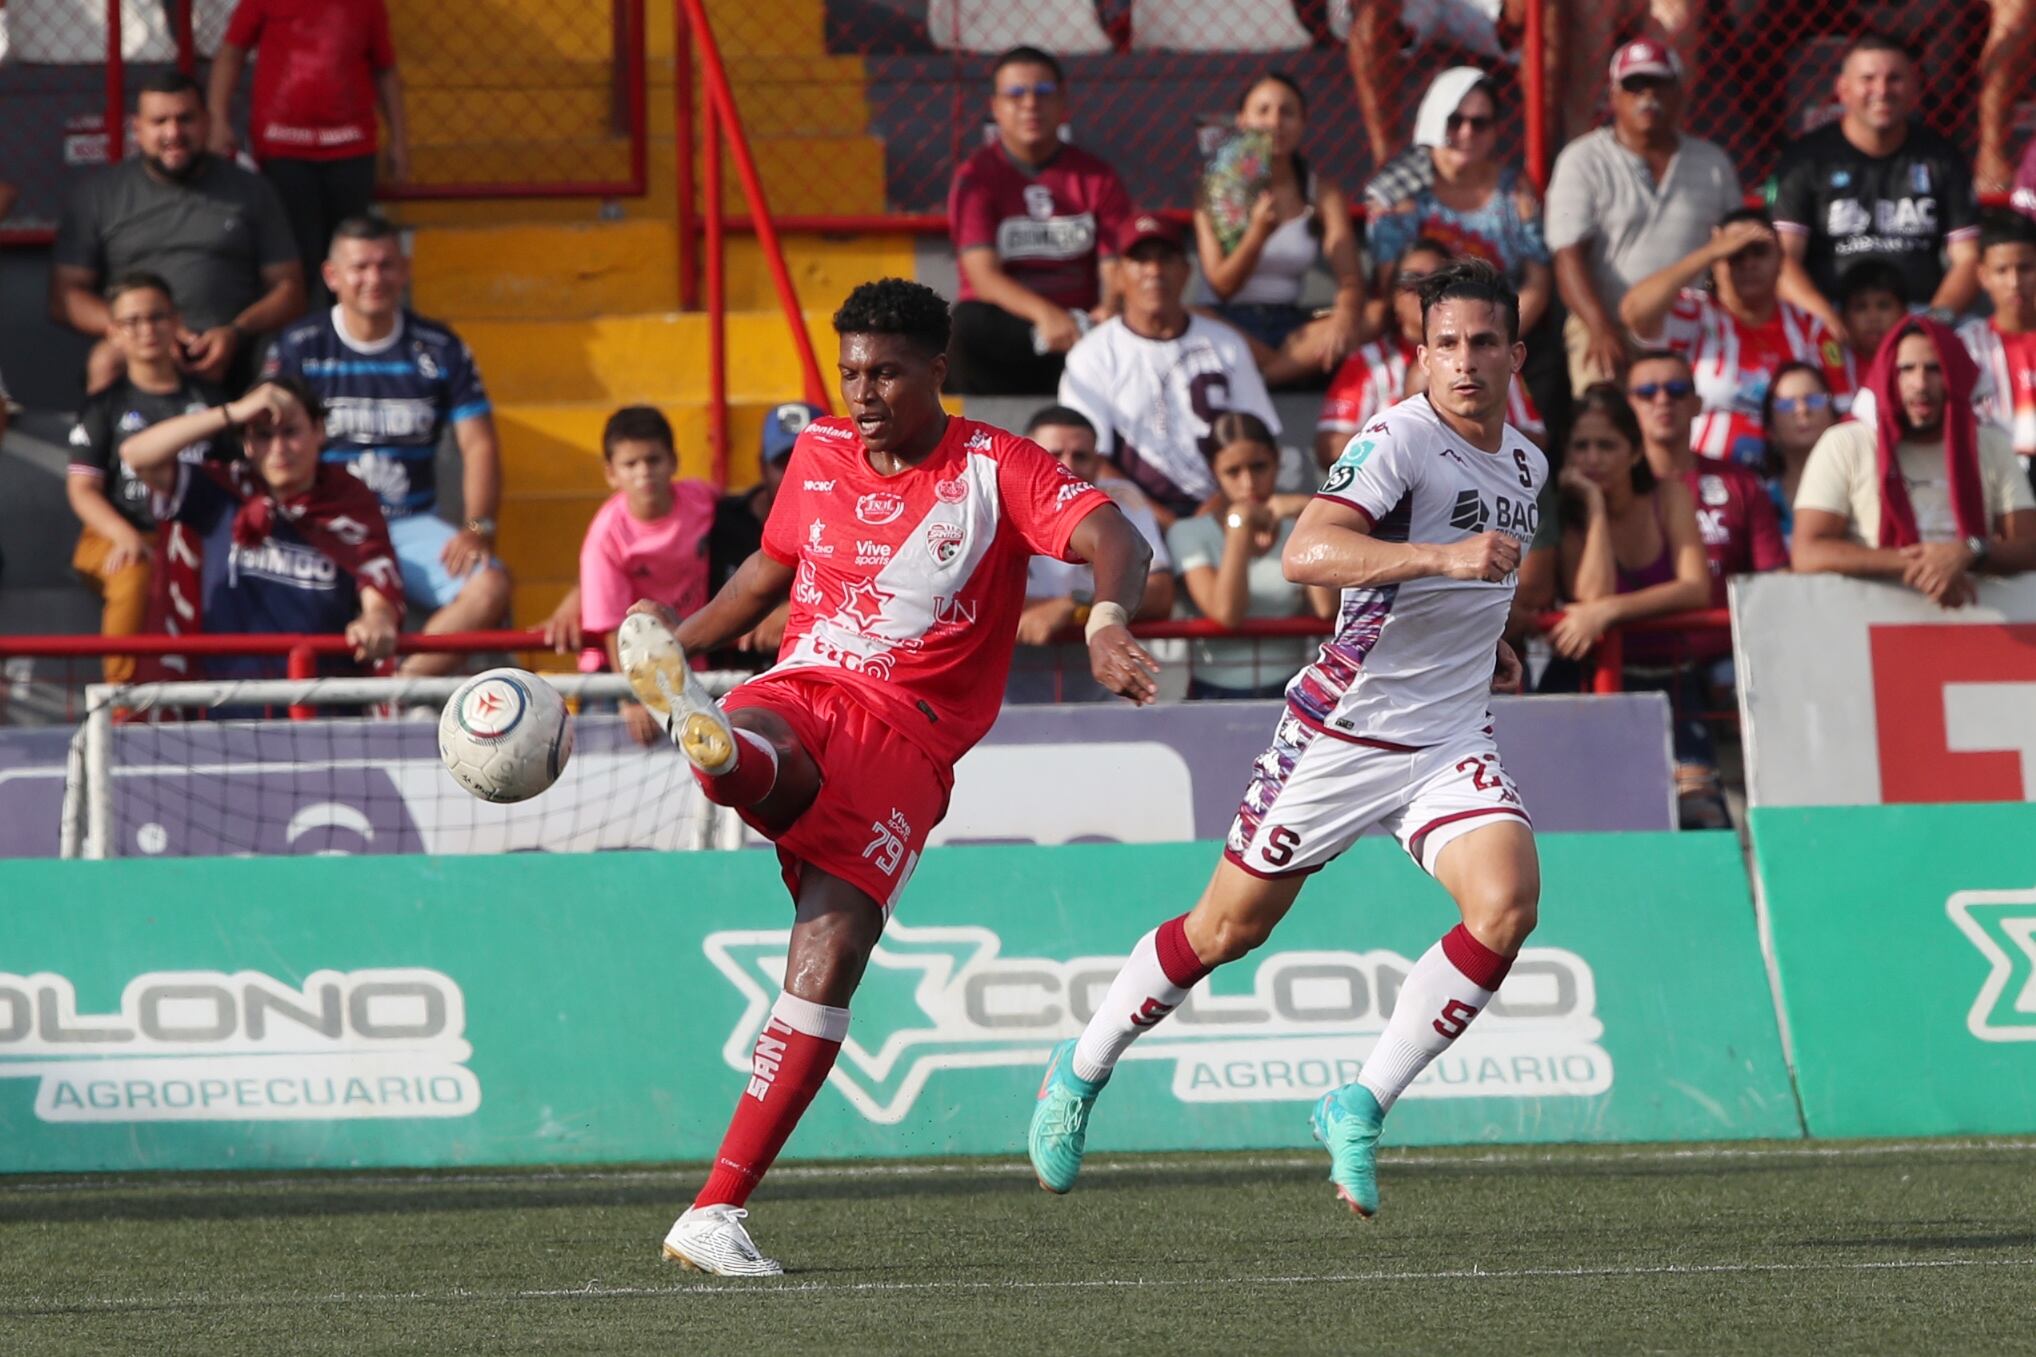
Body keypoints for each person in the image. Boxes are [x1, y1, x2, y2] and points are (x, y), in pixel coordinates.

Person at [615, 279, 1161, 1275]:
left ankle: (713, 1212)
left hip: (906, 734)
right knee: (763, 733)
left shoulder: (996, 467)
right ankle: (718, 740)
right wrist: (672, 648)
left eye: (886, 374)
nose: (863, 394)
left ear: (937, 370)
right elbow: (764, 575)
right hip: (802, 685)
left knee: (828, 958)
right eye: (851, 373)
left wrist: (1106, 618)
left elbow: (1115, 537)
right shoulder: (819, 451)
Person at [1027, 260, 1546, 1218]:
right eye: (1446, 344)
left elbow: (1471, 585)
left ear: (1515, 354)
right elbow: (1307, 550)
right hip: (1344, 731)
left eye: (1483, 343)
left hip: (1450, 734)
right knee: (1226, 930)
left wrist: (1492, 638)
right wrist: (1441, 557)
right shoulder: (1398, 438)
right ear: (1421, 355)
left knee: (1507, 904)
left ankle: (1360, 1103)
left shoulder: (1526, 463)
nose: (1464, 361)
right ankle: (1082, 1064)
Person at [263, 215, 509, 677]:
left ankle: (399, 690)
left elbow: (479, 445)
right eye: (360, 267)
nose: (374, 278)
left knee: (490, 585)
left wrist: (477, 527)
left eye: (386, 265)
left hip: (407, 523)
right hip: (322, 519)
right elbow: (265, 438)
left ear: (405, 270)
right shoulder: (300, 347)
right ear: (332, 276)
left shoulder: (439, 347)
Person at [117, 376, 402, 679]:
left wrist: (378, 618)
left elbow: (376, 581)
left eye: (290, 432)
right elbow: (137, 456)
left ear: (319, 430)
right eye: (263, 435)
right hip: (225, 698)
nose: (279, 448)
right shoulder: (219, 492)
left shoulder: (349, 501)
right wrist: (233, 412)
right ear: (247, 445)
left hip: (321, 698)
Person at [1527, 383, 1717, 823]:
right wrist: (1594, 508)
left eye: (1607, 445)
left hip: (1669, 676)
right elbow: (1591, 596)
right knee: (1578, 812)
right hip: (1584, 679)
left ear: (1634, 452)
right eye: (1581, 447)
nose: (1592, 458)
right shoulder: (1566, 512)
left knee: (1698, 810)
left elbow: (1695, 587)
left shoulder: (1669, 496)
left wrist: (1611, 612)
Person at [50, 72, 305, 395]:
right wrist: (141, 332)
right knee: (105, 360)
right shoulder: (99, 196)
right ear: (138, 129)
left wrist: (235, 333)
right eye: (160, 122)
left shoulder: (252, 191)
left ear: (207, 122)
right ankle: (100, 431)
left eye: (185, 119)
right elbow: (65, 297)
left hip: (234, 347)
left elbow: (290, 289)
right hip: (138, 347)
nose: (173, 133)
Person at [1545, 39, 1742, 395]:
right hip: (1603, 319)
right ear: (1613, 95)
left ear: (1679, 92)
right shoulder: (1582, 159)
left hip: (1693, 325)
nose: (1647, 96)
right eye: (1634, 86)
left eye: (1658, 84)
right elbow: (1567, 257)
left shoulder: (1713, 163)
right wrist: (1600, 327)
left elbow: (1734, 249)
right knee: (1600, 410)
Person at [1794, 319, 2036, 606]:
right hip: (1869, 619)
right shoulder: (1845, 444)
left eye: (1934, 369)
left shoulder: (1991, 445)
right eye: (1906, 369)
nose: (1920, 384)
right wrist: (1925, 564)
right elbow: (1808, 552)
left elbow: (2029, 546)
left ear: (1955, 376)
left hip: (1978, 620)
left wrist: (1970, 551)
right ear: (1886, 375)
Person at [65, 274, 232, 684]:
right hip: (119, 533)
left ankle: (220, 699)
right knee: (133, 571)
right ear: (113, 333)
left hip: (197, 536)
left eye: (157, 317)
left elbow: (232, 481)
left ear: (177, 321)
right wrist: (122, 534)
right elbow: (82, 489)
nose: (146, 330)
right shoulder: (103, 406)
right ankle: (120, 702)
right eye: (132, 321)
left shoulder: (211, 401)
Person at [1057, 215, 1282, 521]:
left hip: (1223, 511)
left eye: (1165, 258)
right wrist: (1165, 523)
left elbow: (1257, 442)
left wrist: (1210, 516)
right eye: (1140, 260)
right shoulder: (1092, 353)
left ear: (1187, 271)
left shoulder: (1226, 342)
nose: (1154, 270)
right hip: (1131, 514)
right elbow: (1090, 458)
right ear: (1118, 275)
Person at [946, 46, 1133, 395]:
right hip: (1010, 333)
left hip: (1080, 330)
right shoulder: (976, 177)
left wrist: (1109, 308)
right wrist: (1045, 315)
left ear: (1063, 103)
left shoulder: (1098, 177)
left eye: (1043, 92)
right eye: (1016, 94)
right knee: (966, 324)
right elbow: (983, 278)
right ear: (995, 107)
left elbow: (1115, 266)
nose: (1030, 104)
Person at [1770, 33, 1980, 336]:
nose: (1881, 91)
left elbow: (1969, 258)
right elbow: (1783, 260)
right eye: (1868, 79)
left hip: (1921, 312)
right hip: (1829, 314)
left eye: (1894, 79)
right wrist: (1826, 320)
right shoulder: (1804, 159)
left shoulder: (1942, 157)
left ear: (1914, 88)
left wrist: (1932, 325)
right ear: (1843, 89)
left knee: (1975, 337)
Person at [208, 0, 410, 312]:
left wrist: (399, 140)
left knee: (350, 253)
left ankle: (344, 334)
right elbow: (231, 53)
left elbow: (385, 69)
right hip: (284, 148)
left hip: (351, 148)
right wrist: (218, 119)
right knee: (295, 257)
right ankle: (299, 336)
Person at [1620, 206, 1855, 467]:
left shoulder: (1812, 329)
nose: (1748, 263)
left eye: (1759, 252)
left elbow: (1843, 411)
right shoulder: (1696, 315)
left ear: (1781, 259)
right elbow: (1635, 313)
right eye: (1735, 254)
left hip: (1793, 477)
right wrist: (1709, 252)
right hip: (1706, 478)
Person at [1193, 73, 1364, 387]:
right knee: (1191, 317)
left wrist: (1345, 315)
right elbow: (1221, 286)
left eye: (1287, 112)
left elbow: (1350, 278)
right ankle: (1281, 371)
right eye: (1263, 111)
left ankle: (1266, 375)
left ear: (1303, 123)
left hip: (1290, 327)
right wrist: (1258, 234)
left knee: (1374, 314)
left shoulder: (1322, 193)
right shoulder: (1215, 190)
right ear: (1242, 121)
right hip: (1226, 320)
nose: (1275, 122)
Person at [1316, 238, 1545, 470]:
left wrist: (1470, 437)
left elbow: (1534, 438)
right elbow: (1330, 446)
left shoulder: (1491, 360)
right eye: (1412, 280)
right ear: (1393, 297)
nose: (1424, 290)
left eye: (1437, 280)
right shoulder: (1367, 360)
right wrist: (1409, 430)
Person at [1365, 70, 1552, 350]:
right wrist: (1444, 353)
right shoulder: (1399, 192)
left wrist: (1490, 344)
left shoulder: (1517, 192)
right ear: (1434, 121)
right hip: (1417, 341)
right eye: (1454, 121)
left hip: (1500, 340)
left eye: (1480, 123)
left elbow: (1537, 285)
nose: (1467, 133)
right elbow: (1394, 290)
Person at [575, 406, 719, 746]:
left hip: (692, 665)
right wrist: (633, 697)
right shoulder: (605, 537)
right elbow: (613, 629)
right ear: (611, 473)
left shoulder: (704, 501)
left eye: (653, 460)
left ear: (674, 461)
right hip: (623, 676)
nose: (644, 472)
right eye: (630, 464)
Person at [1010, 406, 1174, 703]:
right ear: (1027, 457)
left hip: (1102, 691)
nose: (1067, 466)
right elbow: (973, 598)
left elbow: (1160, 594)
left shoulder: (1122, 498)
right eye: (1054, 454)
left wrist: (1076, 605)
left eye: (1080, 456)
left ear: (1098, 463)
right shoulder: (996, 498)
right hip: (1006, 692)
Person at [1167, 412, 1336, 699]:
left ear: (1277, 460)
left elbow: (1326, 607)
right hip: (1214, 695)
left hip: (1292, 690)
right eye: (1233, 472)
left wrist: (1309, 516)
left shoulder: (1295, 526)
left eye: (1259, 467)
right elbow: (1227, 614)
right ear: (1213, 472)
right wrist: (1240, 525)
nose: (1248, 483)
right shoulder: (1187, 533)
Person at [1624, 349, 1789, 607]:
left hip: (1726, 632)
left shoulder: (1742, 483)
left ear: (1697, 404)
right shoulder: (1617, 486)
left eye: (1677, 390)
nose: (1663, 399)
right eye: (1647, 392)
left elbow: (1775, 580)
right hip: (1639, 632)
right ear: (1628, 406)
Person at [1960, 213, 2036, 474]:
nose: (2015, 283)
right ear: (1983, 276)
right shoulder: (1966, 346)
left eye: (2025, 269)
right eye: (2002, 271)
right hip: (1993, 474)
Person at [1758, 361, 1840, 546]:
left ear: (1834, 416)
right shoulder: (1758, 499)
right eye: (1786, 404)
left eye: (1814, 400)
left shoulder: (1858, 489)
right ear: (1770, 429)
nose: (1802, 410)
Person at [1836, 260, 1910, 372]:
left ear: (1905, 314)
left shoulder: (1920, 363)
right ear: (1842, 317)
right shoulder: (1827, 363)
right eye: (1860, 307)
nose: (1873, 318)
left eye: (1883, 306)